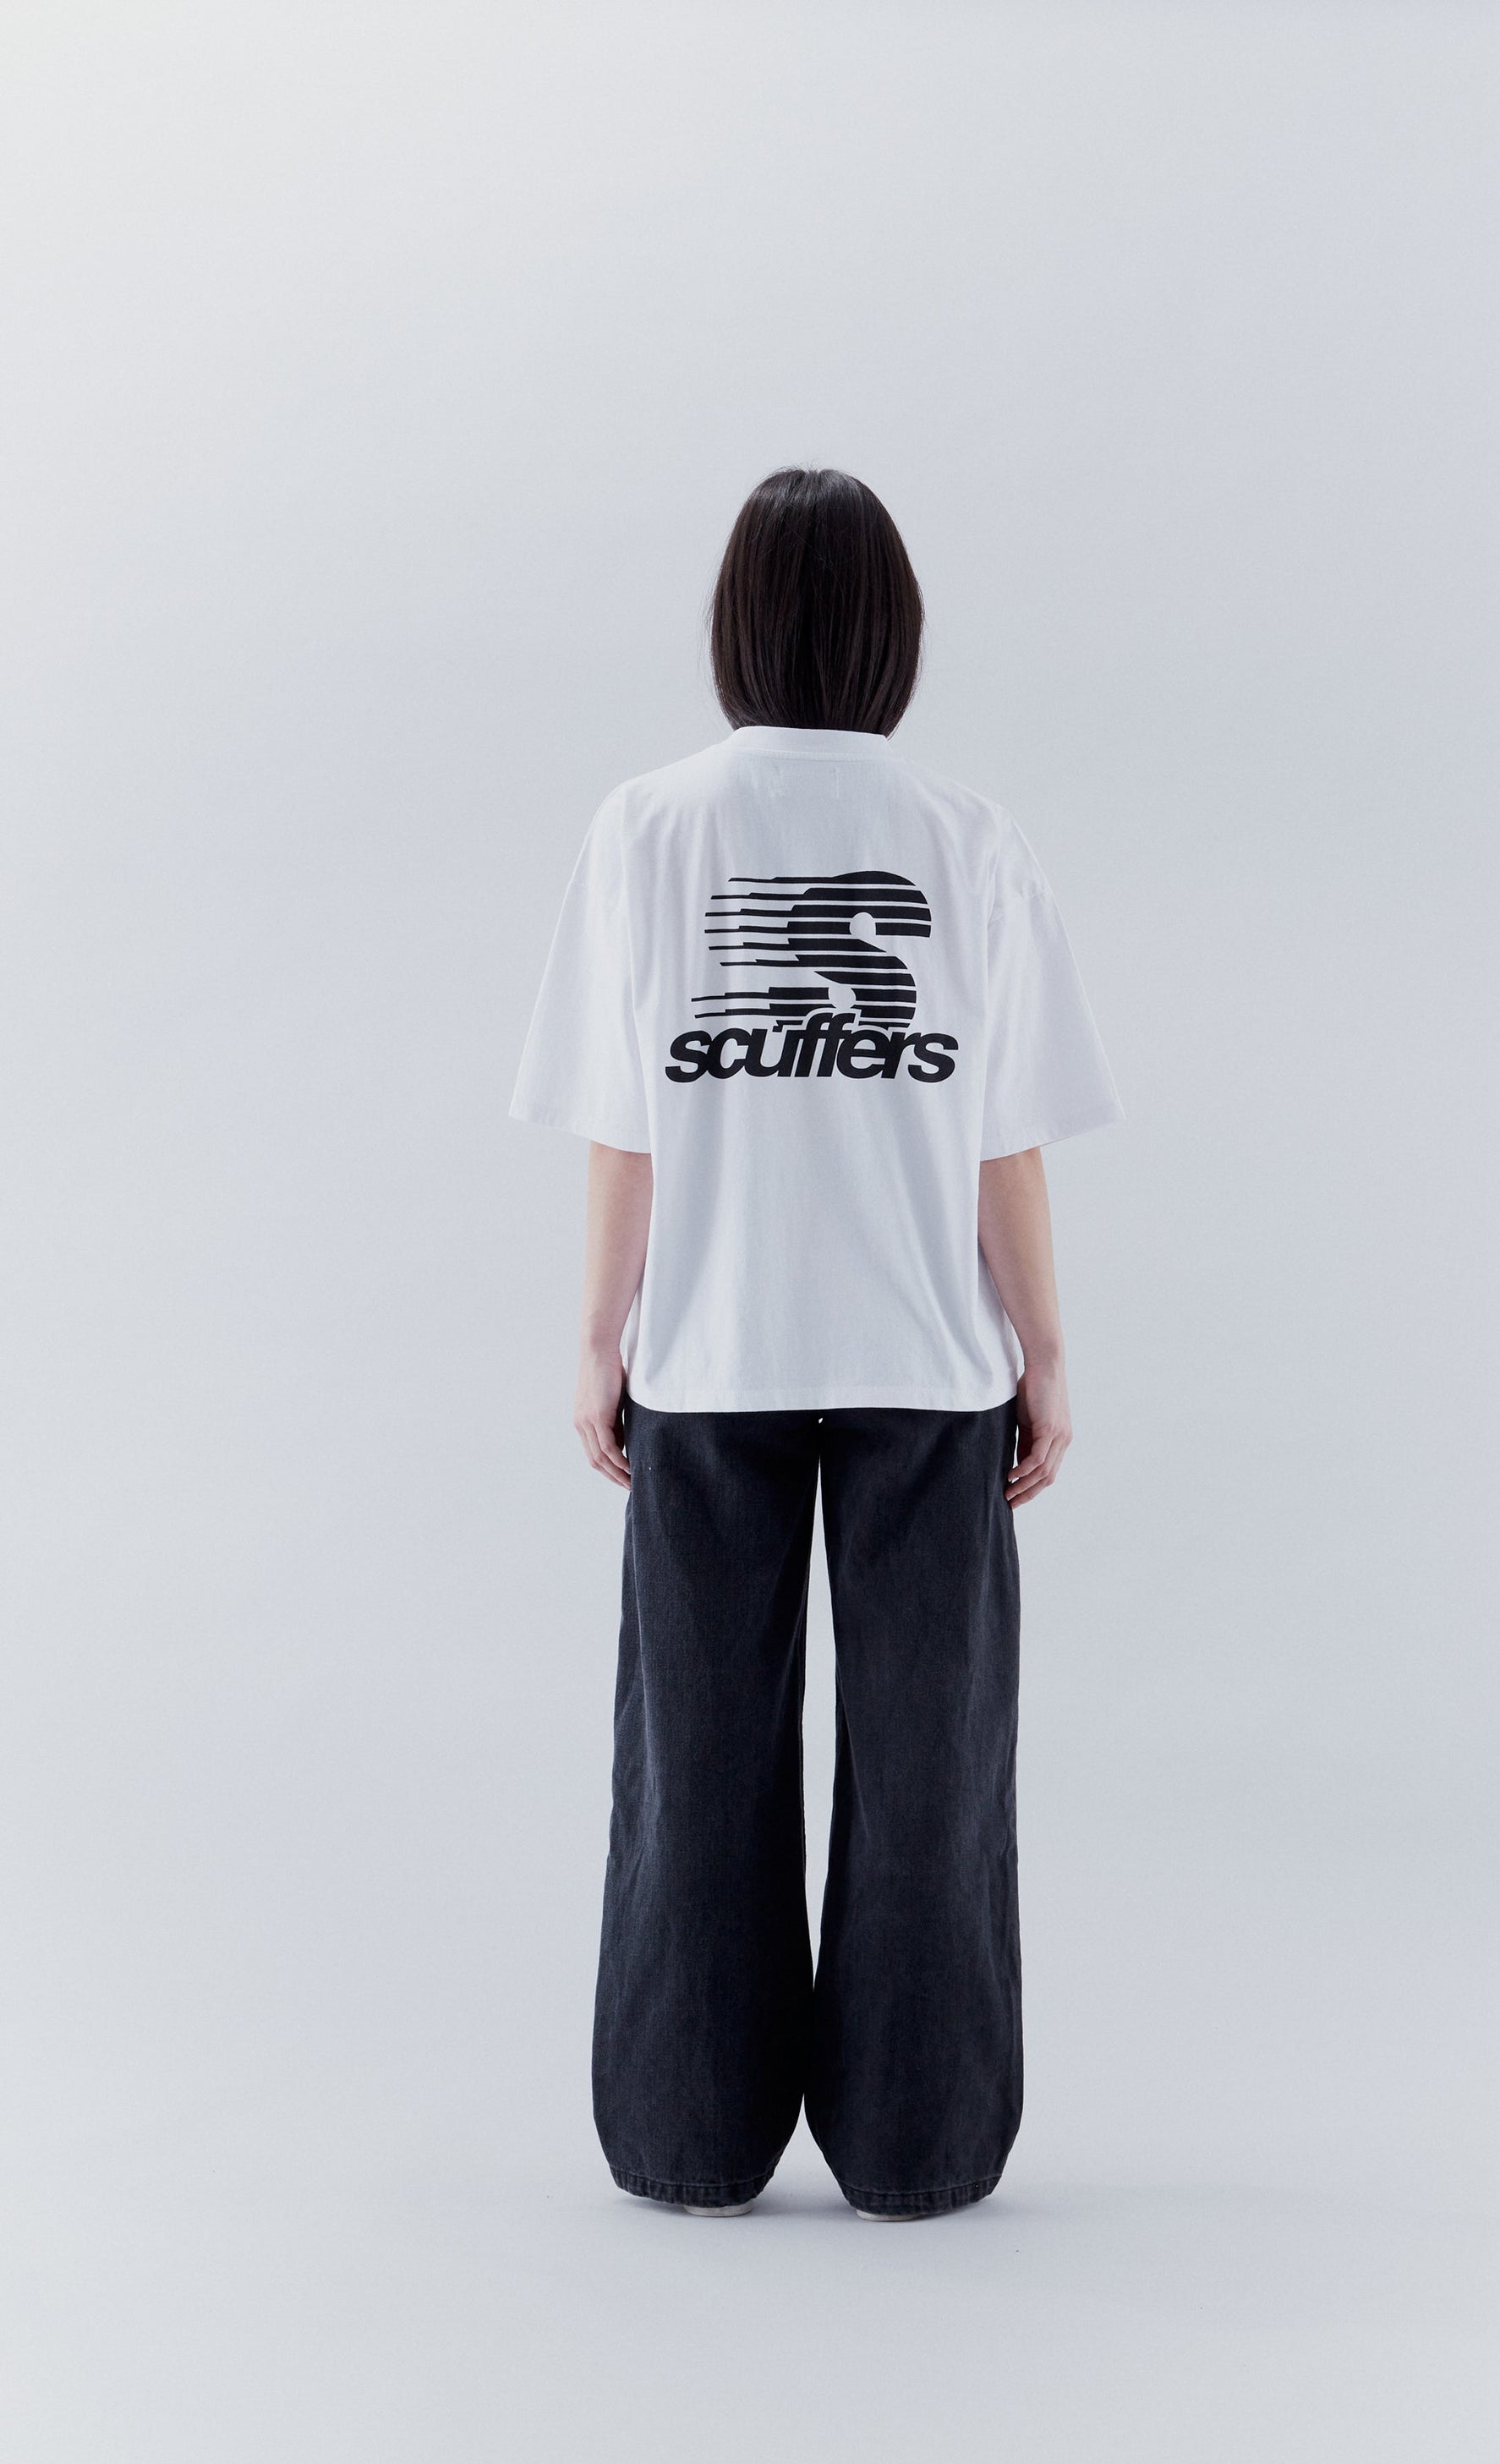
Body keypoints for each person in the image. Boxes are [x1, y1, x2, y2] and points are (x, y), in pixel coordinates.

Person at [511, 468, 1121, 2222]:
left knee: (694, 1765)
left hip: (710, 1357)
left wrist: (598, 1338)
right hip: (930, 1367)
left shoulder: (646, 828)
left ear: (735, 626)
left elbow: (625, 1127)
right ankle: (923, 2147)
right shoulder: (968, 837)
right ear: (889, 631)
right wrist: (1045, 1349)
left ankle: (686, 2137)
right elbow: (1001, 1138)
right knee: (935, 1775)